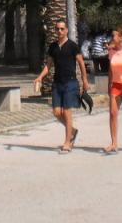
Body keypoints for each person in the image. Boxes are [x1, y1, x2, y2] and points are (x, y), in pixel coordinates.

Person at [34, 19, 90, 154]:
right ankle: (73, 131)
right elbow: (48, 65)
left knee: (67, 112)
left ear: (66, 30)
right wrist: (40, 77)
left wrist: (85, 80)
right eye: (57, 29)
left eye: (62, 29)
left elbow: (81, 63)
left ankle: (67, 142)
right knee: (56, 112)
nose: (59, 31)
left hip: (70, 83)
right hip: (57, 83)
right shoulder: (53, 47)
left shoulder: (72, 46)